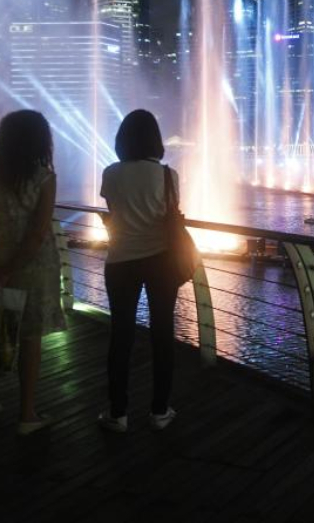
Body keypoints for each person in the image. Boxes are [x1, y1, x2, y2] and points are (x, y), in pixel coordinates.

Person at [0, 110, 65, 434]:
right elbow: (37, 234)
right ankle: (27, 414)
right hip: (33, 267)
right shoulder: (44, 178)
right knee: (29, 338)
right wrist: (9, 270)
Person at [96, 109, 180, 433]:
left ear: (122, 140)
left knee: (121, 336)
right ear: (156, 140)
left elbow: (113, 213)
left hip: (120, 261)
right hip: (161, 261)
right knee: (162, 335)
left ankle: (118, 413)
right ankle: (160, 411)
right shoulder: (168, 175)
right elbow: (169, 217)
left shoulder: (111, 173)